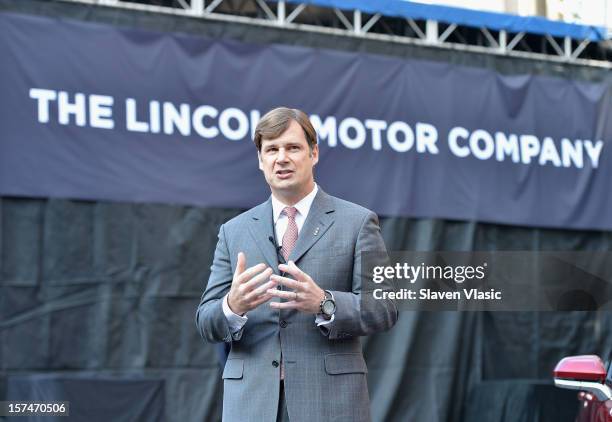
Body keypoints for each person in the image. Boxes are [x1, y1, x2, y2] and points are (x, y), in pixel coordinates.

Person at [195, 107, 398, 422]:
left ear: (314, 153)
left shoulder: (357, 223)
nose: (281, 158)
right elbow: (206, 321)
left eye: (292, 147)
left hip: (331, 403)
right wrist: (232, 306)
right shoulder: (233, 231)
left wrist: (324, 303)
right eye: (271, 149)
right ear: (261, 160)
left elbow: (384, 308)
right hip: (251, 405)